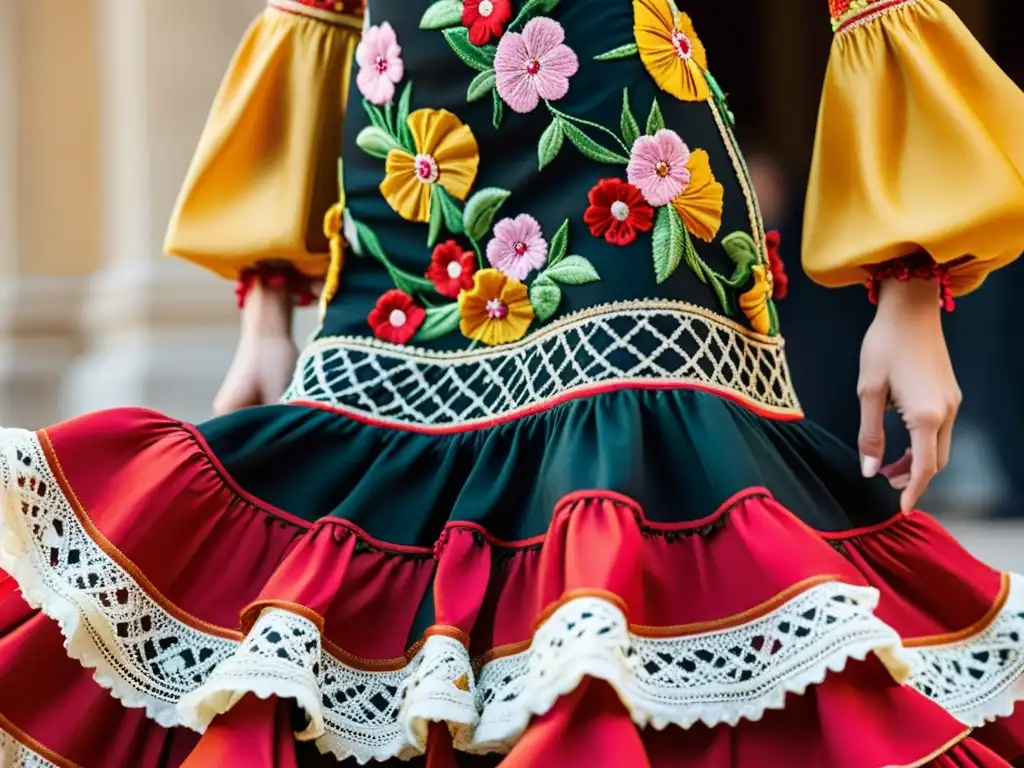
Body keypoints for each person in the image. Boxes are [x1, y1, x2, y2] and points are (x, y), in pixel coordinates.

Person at [2, 0, 1024, 766]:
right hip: (405, 166)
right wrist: (267, 289)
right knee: (364, 580)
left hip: (624, 155)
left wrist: (910, 281)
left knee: (632, 541)